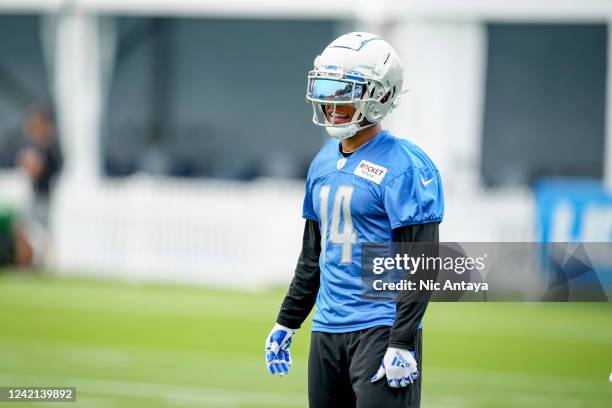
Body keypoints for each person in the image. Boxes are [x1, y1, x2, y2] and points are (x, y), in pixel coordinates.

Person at [264, 32, 444, 408]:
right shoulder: (324, 161)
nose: (332, 103)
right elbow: (313, 254)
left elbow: (423, 265)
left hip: (380, 328)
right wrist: (287, 321)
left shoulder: (405, 165)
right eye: (327, 89)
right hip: (327, 329)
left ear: (379, 95)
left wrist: (403, 341)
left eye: (344, 92)